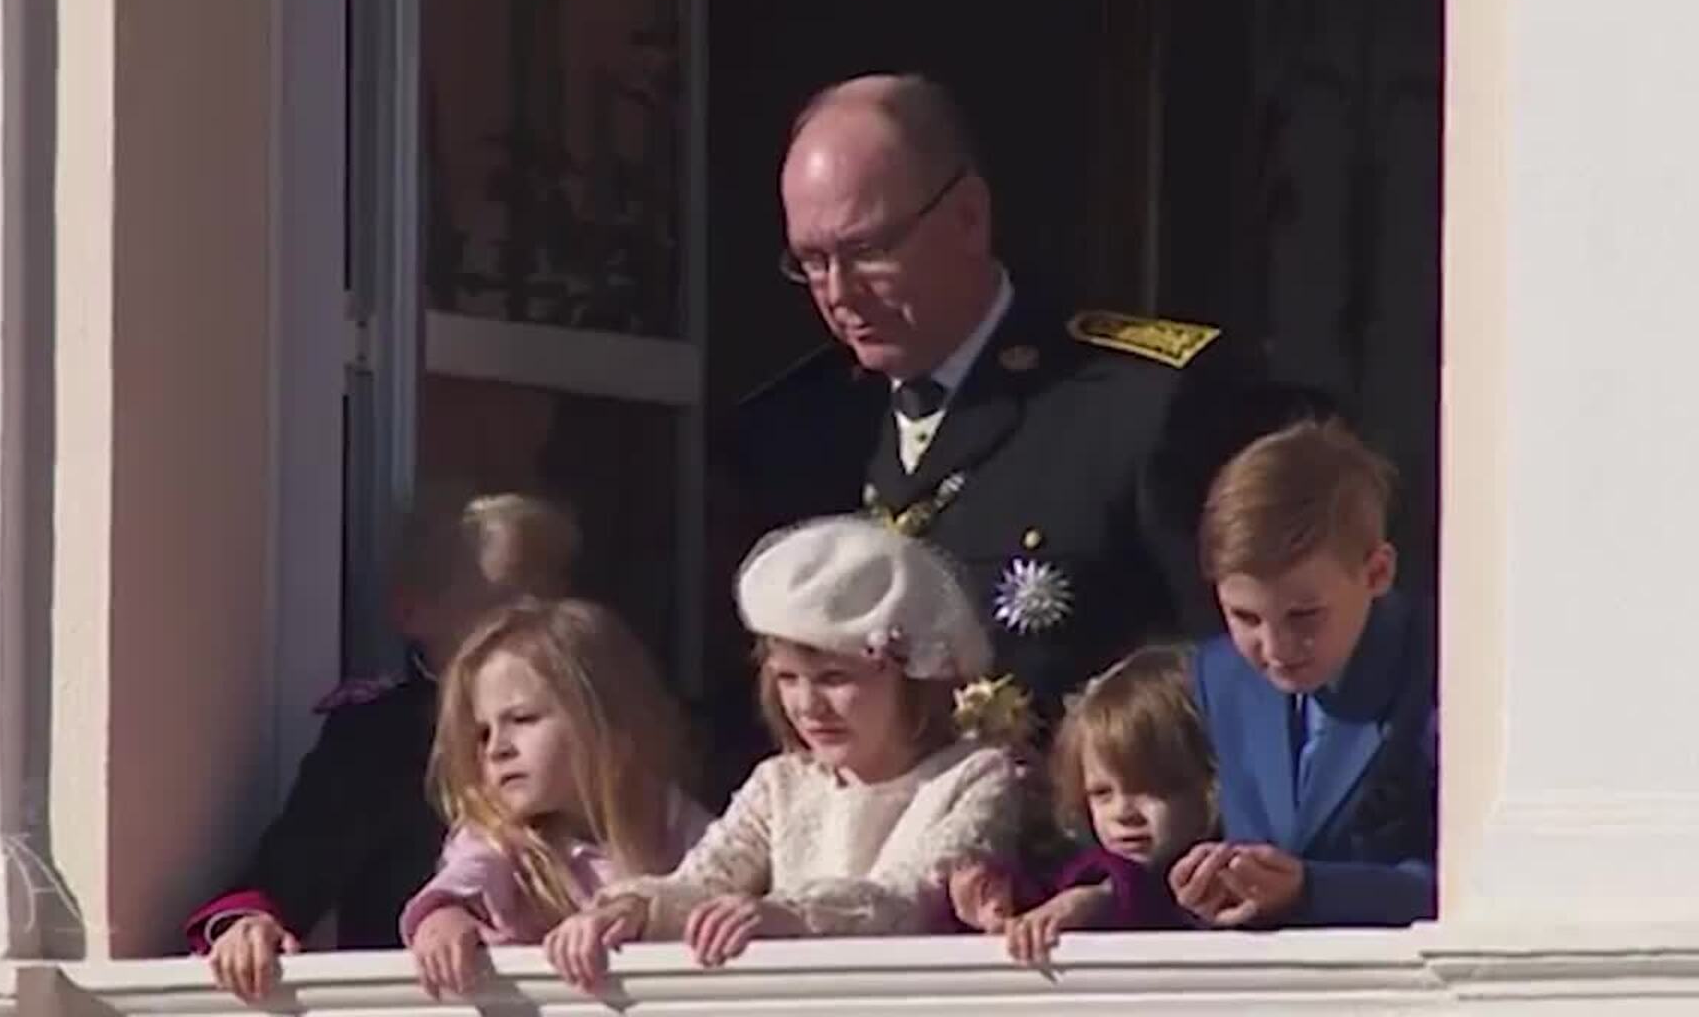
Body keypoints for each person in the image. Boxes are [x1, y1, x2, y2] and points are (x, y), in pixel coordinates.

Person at [721, 72, 1323, 720]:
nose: (838, 291)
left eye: (868, 250)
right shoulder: (791, 431)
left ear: (968, 217)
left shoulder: (1136, 409)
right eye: (811, 260)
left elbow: (1239, 678)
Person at [543, 515, 1020, 991]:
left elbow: (911, 895)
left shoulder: (976, 775)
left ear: (913, 680)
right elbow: (703, 880)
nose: (808, 706)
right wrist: (633, 909)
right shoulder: (780, 783)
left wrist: (788, 915)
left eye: (835, 678)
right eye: (788, 679)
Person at [188, 491, 580, 1004]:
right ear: (413, 610)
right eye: (504, 606)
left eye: (548, 605)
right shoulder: (378, 741)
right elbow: (286, 875)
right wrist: (248, 926)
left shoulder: (593, 725)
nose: (532, 631)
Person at [1171, 419, 1435, 927]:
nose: (1275, 648)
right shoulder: (1220, 674)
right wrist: (1211, 888)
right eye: (1245, 617)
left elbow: (1473, 880)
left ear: (1377, 573)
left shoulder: (1439, 666)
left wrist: (1311, 890)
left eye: (1304, 615)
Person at [401, 597, 711, 998]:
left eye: (522, 719)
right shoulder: (499, 839)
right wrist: (443, 918)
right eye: (482, 733)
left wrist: (642, 913)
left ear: (607, 721)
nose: (497, 749)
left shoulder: (675, 824)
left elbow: (718, 887)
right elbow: (467, 878)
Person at [951, 646, 1214, 960]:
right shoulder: (1083, 867)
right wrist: (998, 896)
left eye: (1149, 789)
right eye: (1102, 793)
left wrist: (1101, 900)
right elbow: (1053, 894)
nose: (1123, 813)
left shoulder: (1220, 875)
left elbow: (1158, 898)